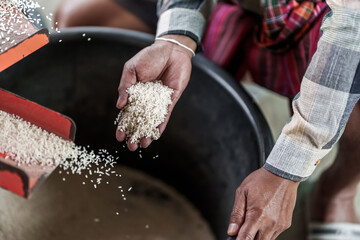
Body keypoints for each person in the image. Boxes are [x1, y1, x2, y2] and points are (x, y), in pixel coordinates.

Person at [55, 0, 360, 239]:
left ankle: (337, 192)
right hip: (243, 5)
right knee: (78, 16)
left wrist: (288, 169)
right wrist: (175, 39)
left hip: (333, 24)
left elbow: (351, 27)